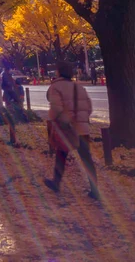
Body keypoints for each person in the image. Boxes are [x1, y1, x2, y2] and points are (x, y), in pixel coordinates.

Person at [44, 61, 99, 200]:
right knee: (86, 158)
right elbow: (89, 107)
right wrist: (81, 120)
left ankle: (56, 182)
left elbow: (56, 108)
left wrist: (55, 120)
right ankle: (95, 189)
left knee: (61, 155)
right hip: (82, 129)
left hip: (67, 129)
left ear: (58, 72)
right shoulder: (79, 87)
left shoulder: (55, 87)